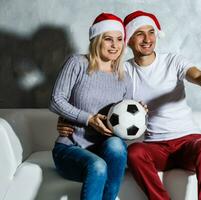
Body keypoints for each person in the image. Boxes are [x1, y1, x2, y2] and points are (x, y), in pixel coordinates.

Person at [57, 10, 201, 200]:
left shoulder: (172, 61)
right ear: (128, 41)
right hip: (155, 146)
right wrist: (68, 118)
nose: (147, 39)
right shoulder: (122, 72)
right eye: (139, 33)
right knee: (134, 152)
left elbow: (197, 75)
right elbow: (99, 103)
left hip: (188, 142)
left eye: (151, 32)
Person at [49, 13, 132, 200]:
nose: (115, 45)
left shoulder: (124, 77)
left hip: (105, 149)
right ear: (96, 40)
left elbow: (125, 120)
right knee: (98, 166)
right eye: (108, 39)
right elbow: (56, 100)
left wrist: (140, 112)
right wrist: (88, 119)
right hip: (71, 149)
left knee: (117, 146)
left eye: (119, 39)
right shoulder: (77, 63)